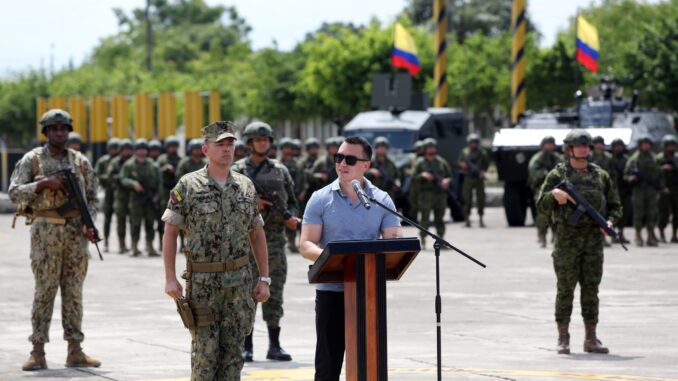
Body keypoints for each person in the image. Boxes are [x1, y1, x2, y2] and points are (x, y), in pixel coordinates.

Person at [162, 121, 270, 380]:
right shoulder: (188, 185)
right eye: (219, 144)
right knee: (205, 355)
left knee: (234, 355)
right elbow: (170, 232)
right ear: (205, 149)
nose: (226, 150)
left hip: (239, 284)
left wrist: (264, 278)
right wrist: (170, 277)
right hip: (203, 284)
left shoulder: (245, 186)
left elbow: (256, 233)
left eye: (230, 144)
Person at [300, 136, 402, 381]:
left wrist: (394, 240)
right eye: (339, 157)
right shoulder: (320, 198)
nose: (342, 163)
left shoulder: (381, 200)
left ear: (366, 165)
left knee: (369, 363)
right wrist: (336, 258)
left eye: (350, 159)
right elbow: (306, 244)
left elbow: (394, 243)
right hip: (331, 291)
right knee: (328, 364)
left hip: (367, 292)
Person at [9, 109, 101, 370]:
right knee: (45, 291)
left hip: (75, 234)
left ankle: (75, 350)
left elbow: (94, 197)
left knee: (74, 293)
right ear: (46, 132)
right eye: (54, 128)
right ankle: (37, 351)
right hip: (45, 233)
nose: (60, 132)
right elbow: (14, 193)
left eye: (64, 128)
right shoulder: (33, 160)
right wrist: (42, 184)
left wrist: (88, 222)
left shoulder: (80, 161)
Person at [537, 129, 622, 355]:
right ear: (569, 149)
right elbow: (540, 205)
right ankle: (563, 338)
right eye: (579, 145)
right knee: (565, 289)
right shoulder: (558, 174)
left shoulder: (600, 175)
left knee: (591, 290)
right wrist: (553, 195)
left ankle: (591, 339)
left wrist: (611, 222)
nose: (583, 149)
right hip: (567, 240)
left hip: (593, 242)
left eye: (586, 145)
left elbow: (615, 205)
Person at [232, 122, 300, 362]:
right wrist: (253, 205)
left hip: (274, 242)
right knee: (246, 294)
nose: (263, 143)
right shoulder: (237, 171)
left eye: (266, 139)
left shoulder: (281, 170)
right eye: (258, 139)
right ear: (249, 143)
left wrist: (291, 217)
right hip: (245, 243)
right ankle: (246, 345)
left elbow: (292, 201)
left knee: (275, 292)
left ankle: (275, 345)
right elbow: (227, 203)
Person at [120, 138, 161, 257]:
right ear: (135, 150)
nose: (142, 151)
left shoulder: (153, 165)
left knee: (150, 223)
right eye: (139, 149)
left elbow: (159, 182)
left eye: (144, 149)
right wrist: (133, 183)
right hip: (136, 199)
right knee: (135, 224)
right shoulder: (129, 165)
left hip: (150, 199)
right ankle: (134, 247)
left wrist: (157, 196)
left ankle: (150, 247)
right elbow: (123, 178)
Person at [624, 135, 667, 247]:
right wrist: (631, 178)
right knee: (638, 213)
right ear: (640, 145)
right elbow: (626, 174)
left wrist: (661, 186)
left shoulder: (654, 158)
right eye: (644, 144)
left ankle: (650, 236)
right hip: (639, 190)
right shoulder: (634, 159)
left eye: (648, 144)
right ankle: (638, 236)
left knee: (652, 213)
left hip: (652, 190)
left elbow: (660, 174)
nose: (646, 146)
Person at [412, 138, 452, 248]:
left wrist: (446, 181)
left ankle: (441, 239)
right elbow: (413, 177)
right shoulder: (419, 163)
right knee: (424, 218)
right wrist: (422, 175)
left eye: (433, 147)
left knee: (440, 217)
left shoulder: (441, 162)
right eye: (429, 147)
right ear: (425, 149)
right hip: (425, 195)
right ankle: (423, 239)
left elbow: (450, 176)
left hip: (439, 195)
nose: (431, 149)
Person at [527, 136, 563, 248]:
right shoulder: (537, 159)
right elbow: (533, 172)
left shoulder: (557, 158)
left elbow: (564, 171)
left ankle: (555, 236)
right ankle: (542, 236)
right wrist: (546, 174)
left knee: (557, 215)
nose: (549, 146)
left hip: (557, 189)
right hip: (542, 190)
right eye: (547, 144)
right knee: (542, 216)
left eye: (551, 144)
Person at [107, 138, 134, 253]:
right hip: (120, 194)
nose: (127, 152)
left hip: (132, 194)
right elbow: (110, 176)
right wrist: (121, 179)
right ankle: (121, 244)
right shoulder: (115, 162)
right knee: (121, 221)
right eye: (125, 150)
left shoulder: (134, 162)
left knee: (134, 220)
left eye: (129, 150)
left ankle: (134, 244)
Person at [457, 133, 490, 227]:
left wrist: (483, 171)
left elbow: (486, 164)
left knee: (481, 199)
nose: (473, 144)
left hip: (479, 179)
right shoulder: (464, 152)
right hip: (468, 178)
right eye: (472, 142)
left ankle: (481, 219)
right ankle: (467, 219)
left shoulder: (482, 153)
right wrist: (463, 165)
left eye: (475, 142)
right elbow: (459, 162)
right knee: (467, 199)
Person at [280, 138, 306, 253]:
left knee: (298, 219)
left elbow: (303, 178)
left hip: (296, 195)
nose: (288, 150)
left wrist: (302, 191)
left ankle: (300, 242)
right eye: (286, 148)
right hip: (283, 196)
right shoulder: (278, 163)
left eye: (290, 148)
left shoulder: (298, 163)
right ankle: (289, 242)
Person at [155, 136, 181, 250]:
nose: (173, 149)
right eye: (171, 146)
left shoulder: (180, 160)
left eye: (174, 146)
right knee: (163, 217)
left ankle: (182, 244)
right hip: (164, 191)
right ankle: (162, 243)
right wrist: (165, 168)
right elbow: (155, 172)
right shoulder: (162, 159)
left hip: (176, 192)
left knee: (179, 216)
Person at [95, 138, 120, 252]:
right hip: (108, 191)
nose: (114, 150)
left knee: (121, 218)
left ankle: (121, 242)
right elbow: (97, 175)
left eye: (116, 148)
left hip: (119, 191)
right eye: (112, 148)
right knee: (107, 218)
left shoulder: (121, 160)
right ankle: (106, 242)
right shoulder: (103, 161)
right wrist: (106, 178)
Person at [609, 139, 632, 244]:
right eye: (616, 146)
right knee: (612, 213)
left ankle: (621, 234)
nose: (619, 148)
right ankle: (613, 235)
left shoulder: (627, 160)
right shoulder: (609, 159)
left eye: (620, 146)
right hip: (612, 191)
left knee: (624, 213)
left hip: (625, 190)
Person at [656, 135, 678, 243]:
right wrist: (663, 168)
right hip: (663, 189)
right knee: (663, 213)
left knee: (676, 214)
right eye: (669, 146)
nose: (671, 148)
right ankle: (662, 235)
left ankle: (674, 235)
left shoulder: (676, 158)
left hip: (676, 189)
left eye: (672, 146)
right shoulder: (659, 158)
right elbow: (654, 173)